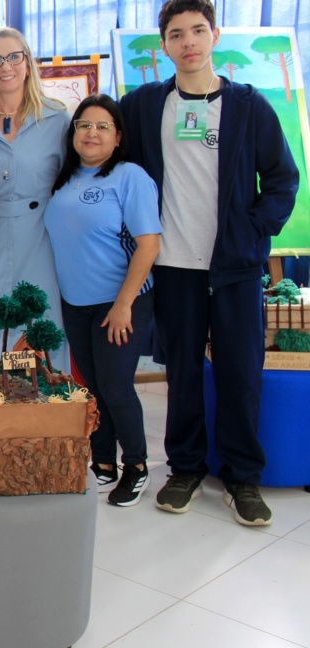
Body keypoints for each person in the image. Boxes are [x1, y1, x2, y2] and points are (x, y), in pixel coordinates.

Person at [120, 0, 298, 525]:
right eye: (177, 34)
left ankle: (243, 477)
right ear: (165, 45)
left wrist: (253, 230)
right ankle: (186, 468)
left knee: (243, 372)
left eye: (198, 30)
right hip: (173, 267)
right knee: (184, 374)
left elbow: (283, 180)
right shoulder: (146, 105)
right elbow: (114, 159)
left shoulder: (249, 106)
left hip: (235, 268)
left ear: (214, 35)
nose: (189, 42)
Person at [45, 95, 161, 506]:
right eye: (83, 125)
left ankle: (138, 466)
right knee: (92, 387)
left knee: (115, 386)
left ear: (117, 137)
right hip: (76, 303)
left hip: (120, 303)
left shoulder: (129, 177)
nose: (91, 133)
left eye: (102, 126)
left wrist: (124, 304)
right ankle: (103, 463)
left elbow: (148, 246)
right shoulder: (67, 178)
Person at [0, 28, 71, 373]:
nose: (4, 66)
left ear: (27, 63)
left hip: (40, 240)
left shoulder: (57, 119)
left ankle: (44, 417)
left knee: (41, 327)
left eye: (13, 57)